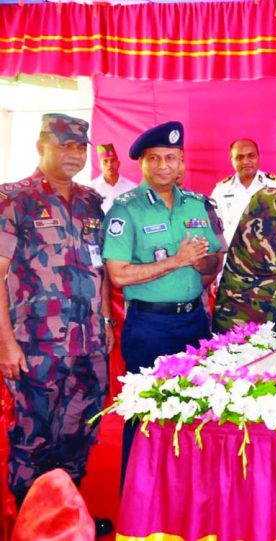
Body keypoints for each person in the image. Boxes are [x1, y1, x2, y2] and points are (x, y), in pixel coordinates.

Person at [0, 113, 113, 536]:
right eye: (64, 145)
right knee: (33, 441)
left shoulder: (90, 202)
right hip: (37, 346)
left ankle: (71, 522)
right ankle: (32, 528)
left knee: (80, 435)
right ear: (40, 146)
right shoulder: (14, 200)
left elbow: (98, 268)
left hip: (89, 345)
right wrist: (5, 344)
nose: (73, 153)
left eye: (79, 146)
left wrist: (105, 319)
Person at [102, 120, 226, 486]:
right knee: (145, 415)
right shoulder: (126, 210)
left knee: (194, 411)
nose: (162, 166)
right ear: (141, 164)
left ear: (182, 162)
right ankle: (137, 498)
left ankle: (187, 492)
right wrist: (177, 260)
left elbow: (213, 261)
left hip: (194, 323)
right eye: (154, 158)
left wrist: (202, 260)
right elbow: (119, 274)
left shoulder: (198, 203)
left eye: (170, 158)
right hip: (150, 328)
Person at [211, 138, 276, 246]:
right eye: (239, 157)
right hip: (234, 259)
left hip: (270, 258)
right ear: (232, 160)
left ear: (258, 157)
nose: (245, 161)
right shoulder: (221, 191)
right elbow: (215, 230)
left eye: (251, 156)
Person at [85, 143, 137, 213]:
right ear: (99, 165)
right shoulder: (90, 189)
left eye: (112, 161)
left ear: (118, 163)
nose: (109, 164)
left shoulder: (132, 188)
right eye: (105, 161)